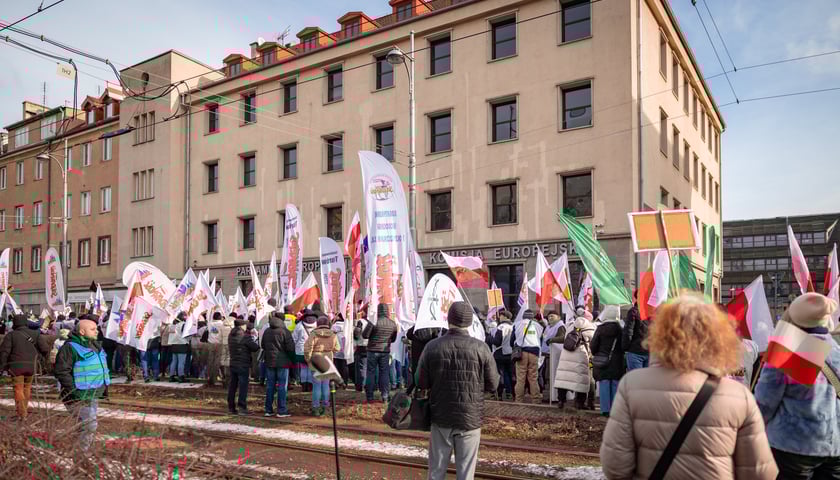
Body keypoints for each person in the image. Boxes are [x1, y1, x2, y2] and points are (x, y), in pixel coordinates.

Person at [601, 294, 778, 479]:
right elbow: (761, 473)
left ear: (661, 332)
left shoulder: (632, 386)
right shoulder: (738, 396)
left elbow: (615, 466)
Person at [755, 293, 840, 478]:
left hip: (794, 446)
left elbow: (765, 403)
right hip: (835, 445)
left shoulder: (789, 349)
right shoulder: (836, 348)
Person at [418, 302, 500, 480]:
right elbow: (493, 384)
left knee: (436, 471)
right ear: (470, 322)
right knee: (466, 473)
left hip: (440, 415)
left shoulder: (432, 346)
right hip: (470, 417)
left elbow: (421, 382)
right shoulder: (482, 348)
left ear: (448, 320)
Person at [54, 319, 111, 451]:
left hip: (93, 393)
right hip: (78, 396)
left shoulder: (95, 345)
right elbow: (61, 371)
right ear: (82, 331)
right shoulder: (70, 347)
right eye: (93, 329)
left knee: (85, 426)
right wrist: (73, 390)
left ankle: (80, 452)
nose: (96, 331)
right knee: (90, 425)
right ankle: (81, 455)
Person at [0, 313, 51, 419]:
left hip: (16, 367)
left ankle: (22, 414)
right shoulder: (36, 334)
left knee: (18, 389)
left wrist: (2, 367)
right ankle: (24, 412)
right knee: (27, 388)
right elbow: (45, 349)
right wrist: (42, 361)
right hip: (31, 366)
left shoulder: (11, 335)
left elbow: (4, 352)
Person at [554, 310, 596, 410]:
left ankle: (561, 400)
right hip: (582, 355)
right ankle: (580, 403)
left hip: (567, 354)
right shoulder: (591, 328)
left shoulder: (570, 326)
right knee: (581, 380)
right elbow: (593, 343)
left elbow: (565, 338)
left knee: (564, 378)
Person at [590, 305, 624, 417]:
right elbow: (623, 345)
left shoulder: (600, 328)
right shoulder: (620, 329)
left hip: (602, 360)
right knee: (615, 384)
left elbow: (593, 345)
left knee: (604, 384)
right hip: (617, 361)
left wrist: (596, 353)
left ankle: (605, 410)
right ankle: (614, 409)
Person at [304, 315, 341, 416]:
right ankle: (325, 407)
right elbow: (337, 348)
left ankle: (315, 408)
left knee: (316, 385)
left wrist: (308, 359)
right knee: (325, 385)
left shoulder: (313, 334)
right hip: (328, 360)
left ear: (318, 324)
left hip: (315, 359)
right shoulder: (333, 334)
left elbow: (308, 348)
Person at [261, 310, 295, 417]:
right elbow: (290, 348)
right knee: (282, 386)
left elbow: (263, 345)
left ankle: (268, 410)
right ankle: (281, 410)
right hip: (283, 363)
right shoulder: (285, 332)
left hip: (269, 362)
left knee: (270, 386)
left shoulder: (267, 331)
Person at [364, 304, 398, 403]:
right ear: (387, 311)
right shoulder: (392, 324)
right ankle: (385, 396)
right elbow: (394, 339)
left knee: (370, 373)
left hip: (372, 350)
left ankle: (370, 397)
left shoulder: (374, 322)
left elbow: (365, 335)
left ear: (378, 311)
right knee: (384, 373)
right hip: (385, 351)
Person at [228, 317, 260, 415]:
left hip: (233, 363)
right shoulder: (245, 336)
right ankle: (242, 407)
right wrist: (254, 338)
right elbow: (255, 348)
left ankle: (231, 407)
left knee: (232, 386)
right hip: (243, 364)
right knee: (243, 386)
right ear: (242, 325)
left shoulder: (231, 335)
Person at [511, 310, 543, 403]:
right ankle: (536, 399)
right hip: (534, 352)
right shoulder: (538, 326)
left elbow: (512, 340)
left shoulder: (517, 324)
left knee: (520, 377)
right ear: (532, 317)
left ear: (523, 316)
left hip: (522, 353)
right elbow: (540, 339)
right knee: (533, 377)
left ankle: (518, 399)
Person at [540, 313, 566, 402]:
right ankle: (550, 396)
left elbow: (562, 338)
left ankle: (554, 397)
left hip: (554, 355)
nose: (550, 318)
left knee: (552, 376)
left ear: (558, 317)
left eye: (552, 316)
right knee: (548, 376)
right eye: (549, 316)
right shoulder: (549, 326)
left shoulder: (560, 326)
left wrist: (551, 340)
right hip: (547, 354)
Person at [621, 290, 649, 371]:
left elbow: (628, 332)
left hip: (635, 351)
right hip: (649, 351)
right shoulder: (651, 312)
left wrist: (625, 347)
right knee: (647, 381)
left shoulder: (633, 311)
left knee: (636, 380)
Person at [490, 310, 514, 400]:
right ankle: (509, 393)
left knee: (500, 374)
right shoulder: (513, 326)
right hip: (510, 353)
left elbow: (497, 342)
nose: (499, 317)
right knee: (509, 373)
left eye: (500, 315)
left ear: (504, 316)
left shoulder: (501, 327)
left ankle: (499, 394)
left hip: (500, 353)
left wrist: (490, 338)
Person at [293, 310, 318, 392]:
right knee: (311, 368)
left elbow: (294, 338)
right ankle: (310, 386)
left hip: (301, 351)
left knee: (303, 368)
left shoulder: (299, 325)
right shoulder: (317, 325)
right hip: (313, 350)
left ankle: (304, 385)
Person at [168, 314, 190, 383]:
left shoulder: (172, 325)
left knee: (174, 361)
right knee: (181, 362)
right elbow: (186, 334)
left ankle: (171, 376)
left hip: (174, 344)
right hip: (182, 344)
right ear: (183, 317)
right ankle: (181, 376)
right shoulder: (183, 325)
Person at [206, 312, 225, 386]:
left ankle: (209, 377)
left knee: (210, 361)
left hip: (211, 343)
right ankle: (214, 378)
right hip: (219, 343)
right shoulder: (221, 324)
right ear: (219, 317)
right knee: (217, 361)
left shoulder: (210, 323)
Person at [331, 313, 350, 386]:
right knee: (344, 366)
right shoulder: (347, 325)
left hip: (336, 348)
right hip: (345, 348)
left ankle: (337, 382)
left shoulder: (334, 326)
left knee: (336, 366)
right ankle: (345, 382)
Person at [219, 314, 236, 388]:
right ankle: (228, 377)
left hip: (223, 343)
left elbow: (219, 336)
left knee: (222, 359)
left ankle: (223, 375)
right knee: (229, 359)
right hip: (230, 344)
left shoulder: (222, 326)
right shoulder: (232, 327)